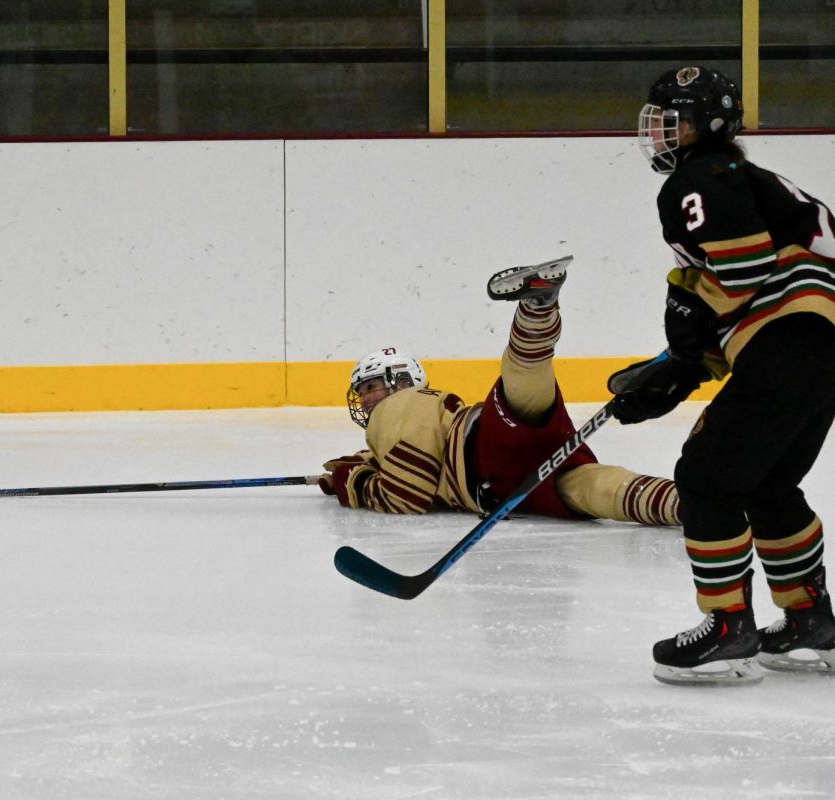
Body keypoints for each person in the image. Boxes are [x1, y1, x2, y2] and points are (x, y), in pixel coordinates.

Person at [607, 66, 835, 685]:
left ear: (706, 125)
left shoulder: (701, 175)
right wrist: (682, 368)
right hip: (815, 347)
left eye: (672, 120)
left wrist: (687, 317)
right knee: (765, 484)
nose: (659, 133)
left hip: (790, 339)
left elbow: (744, 266)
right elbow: (751, 286)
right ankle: (811, 619)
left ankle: (729, 627)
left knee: (705, 478)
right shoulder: (746, 177)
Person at [319, 255, 681, 532]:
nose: (365, 399)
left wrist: (353, 481)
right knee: (598, 488)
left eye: (370, 387)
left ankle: (536, 308)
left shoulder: (396, 408)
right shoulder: (413, 417)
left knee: (527, 390)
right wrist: (365, 463)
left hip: (484, 451)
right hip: (507, 479)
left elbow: (407, 494)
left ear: (400, 382)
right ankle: (697, 505)